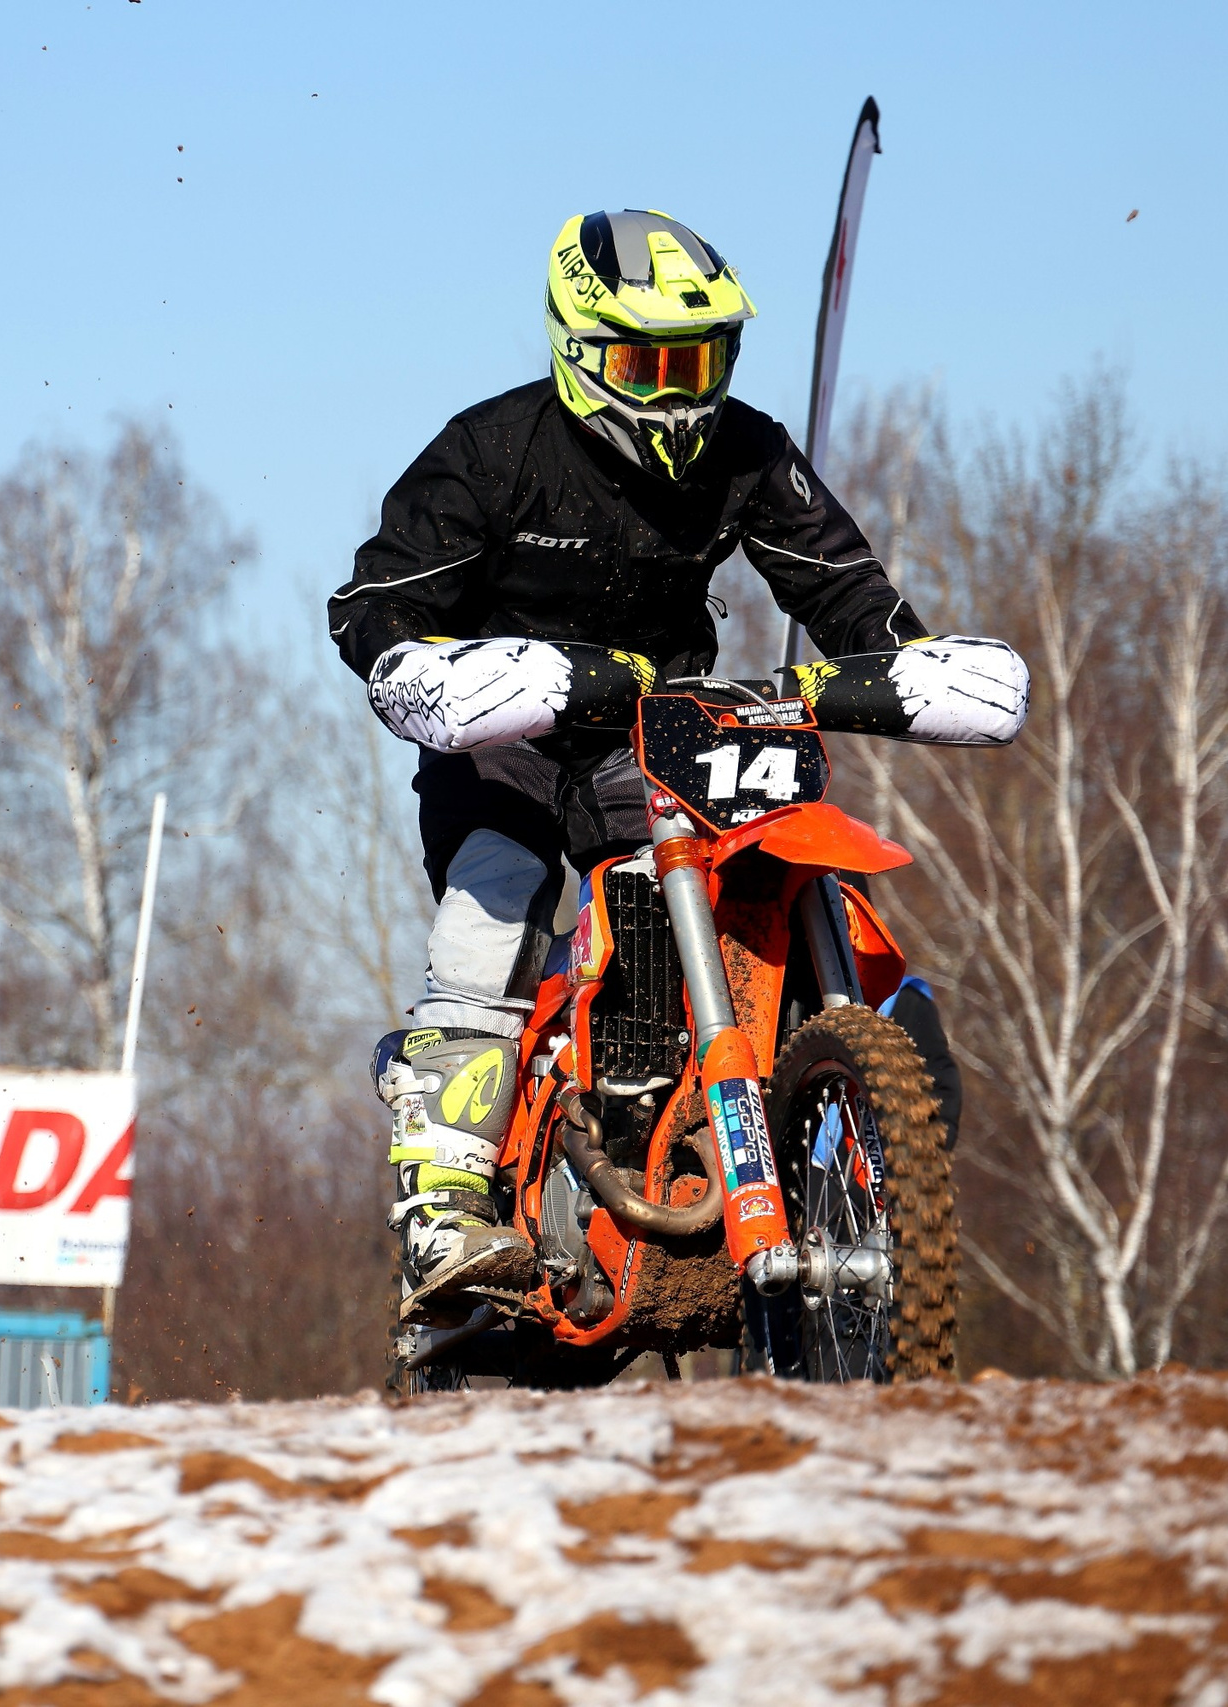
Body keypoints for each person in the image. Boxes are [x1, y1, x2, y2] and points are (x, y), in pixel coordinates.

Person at [327, 210, 1028, 1319]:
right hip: (505, 729)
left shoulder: (746, 450)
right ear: (581, 349)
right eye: (652, 366)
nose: (682, 394)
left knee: (763, 878)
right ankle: (445, 1213)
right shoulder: (492, 450)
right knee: (498, 891)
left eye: (701, 362)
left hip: (657, 729)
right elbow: (372, 603)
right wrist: (429, 672)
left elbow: (847, 591)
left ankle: (830, 1106)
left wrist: (904, 662)